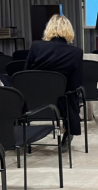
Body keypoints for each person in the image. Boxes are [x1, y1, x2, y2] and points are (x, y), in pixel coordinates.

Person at [25, 15, 83, 147]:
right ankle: (69, 130)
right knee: (72, 93)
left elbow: (25, 74)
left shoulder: (36, 46)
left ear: (49, 29)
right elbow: (76, 84)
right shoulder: (76, 53)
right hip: (61, 103)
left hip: (32, 102)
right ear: (69, 30)